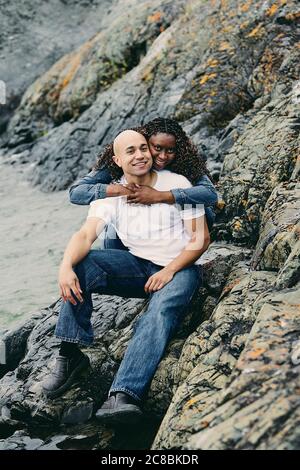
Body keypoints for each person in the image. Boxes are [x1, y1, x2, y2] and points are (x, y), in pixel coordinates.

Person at [42, 129, 210, 425]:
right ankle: (70, 356)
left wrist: (170, 270)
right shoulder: (111, 192)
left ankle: (123, 394)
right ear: (117, 159)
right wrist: (65, 266)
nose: (140, 155)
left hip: (180, 268)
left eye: (143, 148)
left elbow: (200, 239)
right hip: (136, 267)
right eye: (130, 151)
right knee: (81, 266)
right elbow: (85, 234)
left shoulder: (177, 184)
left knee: (158, 313)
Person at [69, 118, 217, 249]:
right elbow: (76, 192)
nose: (163, 157)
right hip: (136, 227)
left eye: (170, 150)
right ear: (146, 142)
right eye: (157, 148)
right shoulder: (123, 162)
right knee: (112, 229)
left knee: (203, 209)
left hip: (175, 224)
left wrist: (160, 196)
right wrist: (120, 190)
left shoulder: (184, 163)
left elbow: (210, 194)